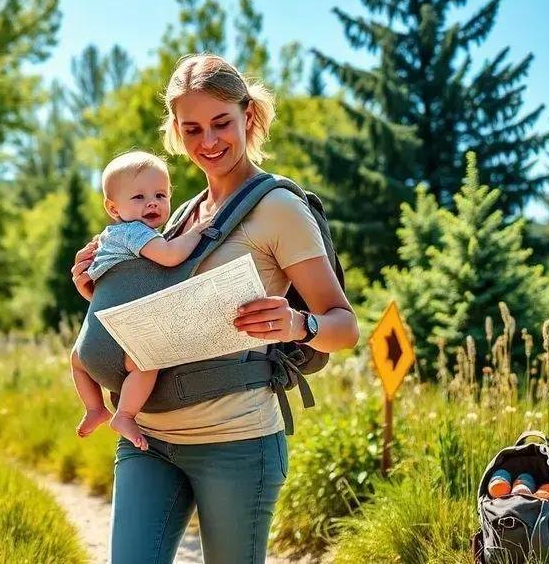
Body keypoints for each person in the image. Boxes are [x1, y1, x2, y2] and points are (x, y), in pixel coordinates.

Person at [70, 54, 360, 563]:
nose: (209, 141)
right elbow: (155, 317)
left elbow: (345, 326)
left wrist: (298, 323)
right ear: (176, 134)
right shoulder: (176, 217)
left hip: (236, 443)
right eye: (192, 129)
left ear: (248, 116)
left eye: (222, 123)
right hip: (148, 440)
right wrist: (96, 288)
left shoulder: (280, 210)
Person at [70, 151, 215, 451]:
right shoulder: (133, 232)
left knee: (77, 361)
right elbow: (171, 255)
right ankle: (124, 414)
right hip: (121, 341)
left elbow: (104, 290)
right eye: (138, 197)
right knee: (147, 362)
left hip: (90, 344)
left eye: (161, 195)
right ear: (113, 208)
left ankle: (95, 408)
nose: (152, 202)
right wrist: (197, 232)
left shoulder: (108, 239)